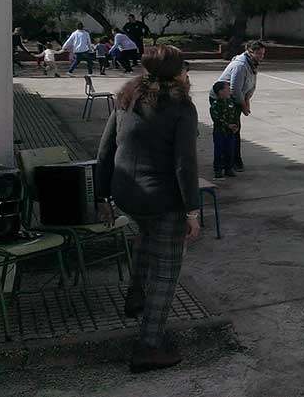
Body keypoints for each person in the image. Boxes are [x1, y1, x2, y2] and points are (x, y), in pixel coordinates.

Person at [95, 45, 200, 372]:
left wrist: (101, 197)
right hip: (162, 199)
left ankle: (136, 297)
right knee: (166, 272)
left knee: (144, 238)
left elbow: (105, 149)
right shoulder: (181, 107)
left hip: (126, 194)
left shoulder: (127, 97)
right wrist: (192, 212)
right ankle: (148, 347)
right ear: (177, 73)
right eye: (184, 68)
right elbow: (185, 164)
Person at [212, 41, 266, 172]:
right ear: (250, 52)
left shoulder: (252, 64)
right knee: (228, 129)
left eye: (263, 54)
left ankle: (231, 161)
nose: (261, 56)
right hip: (222, 98)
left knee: (234, 129)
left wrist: (247, 100)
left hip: (235, 98)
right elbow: (235, 89)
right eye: (259, 53)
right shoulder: (240, 66)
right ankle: (229, 162)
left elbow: (250, 84)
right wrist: (243, 105)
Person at [210, 81, 240, 180]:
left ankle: (229, 168)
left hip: (230, 132)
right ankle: (218, 169)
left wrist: (236, 126)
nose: (229, 91)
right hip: (220, 131)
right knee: (219, 151)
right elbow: (216, 118)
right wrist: (228, 125)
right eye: (227, 89)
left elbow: (235, 115)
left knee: (230, 150)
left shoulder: (231, 103)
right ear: (220, 92)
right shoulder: (216, 104)